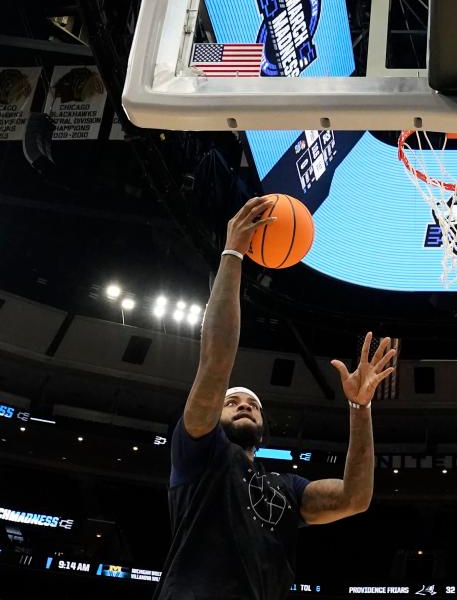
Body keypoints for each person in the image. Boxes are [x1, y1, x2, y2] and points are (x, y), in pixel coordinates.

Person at [154, 197, 397, 600]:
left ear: (264, 426)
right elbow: (216, 363)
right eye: (232, 402)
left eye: (251, 403)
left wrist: (360, 408)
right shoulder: (198, 453)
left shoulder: (286, 488)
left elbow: (355, 498)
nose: (244, 404)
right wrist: (232, 254)